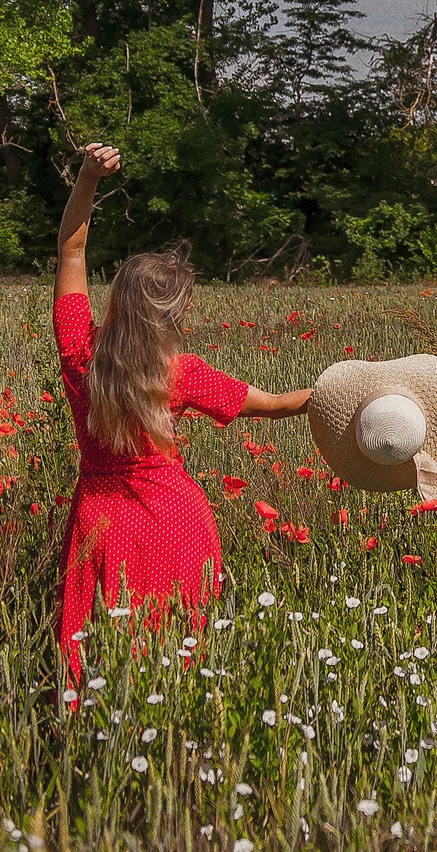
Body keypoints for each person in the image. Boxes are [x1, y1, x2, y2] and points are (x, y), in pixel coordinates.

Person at [50, 142, 308, 698]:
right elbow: (277, 404)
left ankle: (92, 746)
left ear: (116, 301)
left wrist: (90, 177)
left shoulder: (81, 355)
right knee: (178, 657)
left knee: (96, 655)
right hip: (177, 521)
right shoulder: (181, 373)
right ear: (176, 314)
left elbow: (71, 251)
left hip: (102, 523)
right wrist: (336, 391)